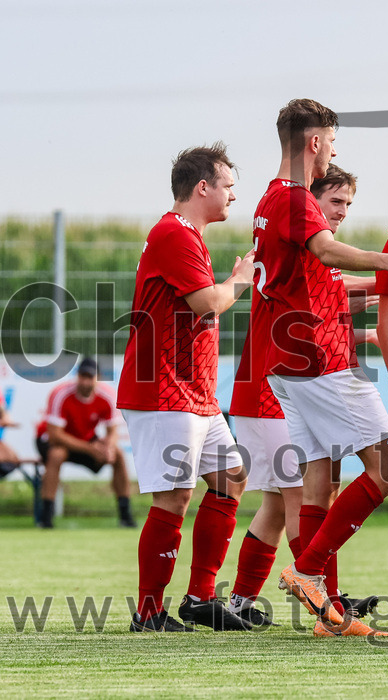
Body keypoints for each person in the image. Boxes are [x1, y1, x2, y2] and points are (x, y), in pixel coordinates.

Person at [257, 99, 388, 640]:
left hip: (289, 362)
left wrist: (384, 284)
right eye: (332, 143)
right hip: (318, 359)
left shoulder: (271, 198)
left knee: (321, 484)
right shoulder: (296, 200)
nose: (333, 153)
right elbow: (327, 253)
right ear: (314, 142)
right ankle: (308, 572)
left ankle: (331, 619)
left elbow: (319, 278)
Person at [227, 164, 378, 628]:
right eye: (335, 202)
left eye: (348, 205)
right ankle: (322, 598)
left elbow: (345, 296)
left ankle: (245, 601)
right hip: (271, 389)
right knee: (299, 497)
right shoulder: (306, 245)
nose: (341, 214)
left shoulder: (305, 254)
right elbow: (340, 295)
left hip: (272, 383)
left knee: (286, 498)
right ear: (311, 203)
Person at [118, 143, 255, 632]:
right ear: (203, 187)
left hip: (193, 392)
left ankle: (198, 597)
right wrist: (238, 281)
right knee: (173, 498)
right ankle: (149, 612)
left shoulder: (185, 235)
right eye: (229, 186)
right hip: (163, 390)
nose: (233, 197)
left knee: (231, 477)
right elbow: (207, 303)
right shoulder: (174, 234)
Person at [35, 357, 134, 529]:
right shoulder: (61, 394)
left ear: (98, 378)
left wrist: (108, 448)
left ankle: (125, 514)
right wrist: (91, 449)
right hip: (51, 439)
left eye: (90, 377)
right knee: (56, 455)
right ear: (77, 376)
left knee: (117, 454)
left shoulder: (108, 396)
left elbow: (113, 433)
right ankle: (46, 517)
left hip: (84, 440)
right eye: (83, 376)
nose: (86, 382)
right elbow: (55, 435)